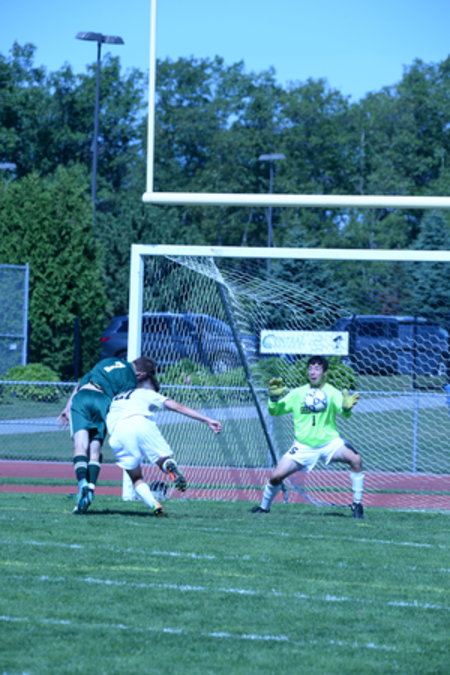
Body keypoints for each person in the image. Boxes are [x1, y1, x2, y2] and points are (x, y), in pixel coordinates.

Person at [251, 355, 365, 518]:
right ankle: (264, 508)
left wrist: (346, 408)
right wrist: (274, 398)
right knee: (276, 476)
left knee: (355, 459)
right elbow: (275, 411)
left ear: (325, 372)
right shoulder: (298, 393)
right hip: (303, 446)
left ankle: (357, 504)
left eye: (317, 369)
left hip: (329, 443)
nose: (313, 372)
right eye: (310, 368)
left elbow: (344, 413)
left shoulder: (332, 392)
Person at [105, 367, 223, 516]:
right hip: (141, 422)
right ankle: (169, 466)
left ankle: (154, 504)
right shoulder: (146, 393)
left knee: (136, 477)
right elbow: (178, 407)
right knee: (162, 460)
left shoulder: (116, 398)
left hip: (119, 432)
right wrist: (207, 420)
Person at [58, 356, 157, 514]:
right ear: (141, 374)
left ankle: (82, 482)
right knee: (95, 450)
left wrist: (67, 407)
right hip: (103, 401)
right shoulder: (131, 379)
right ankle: (90, 490)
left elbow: (81, 382)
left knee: (80, 445)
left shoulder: (108, 361)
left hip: (83, 395)